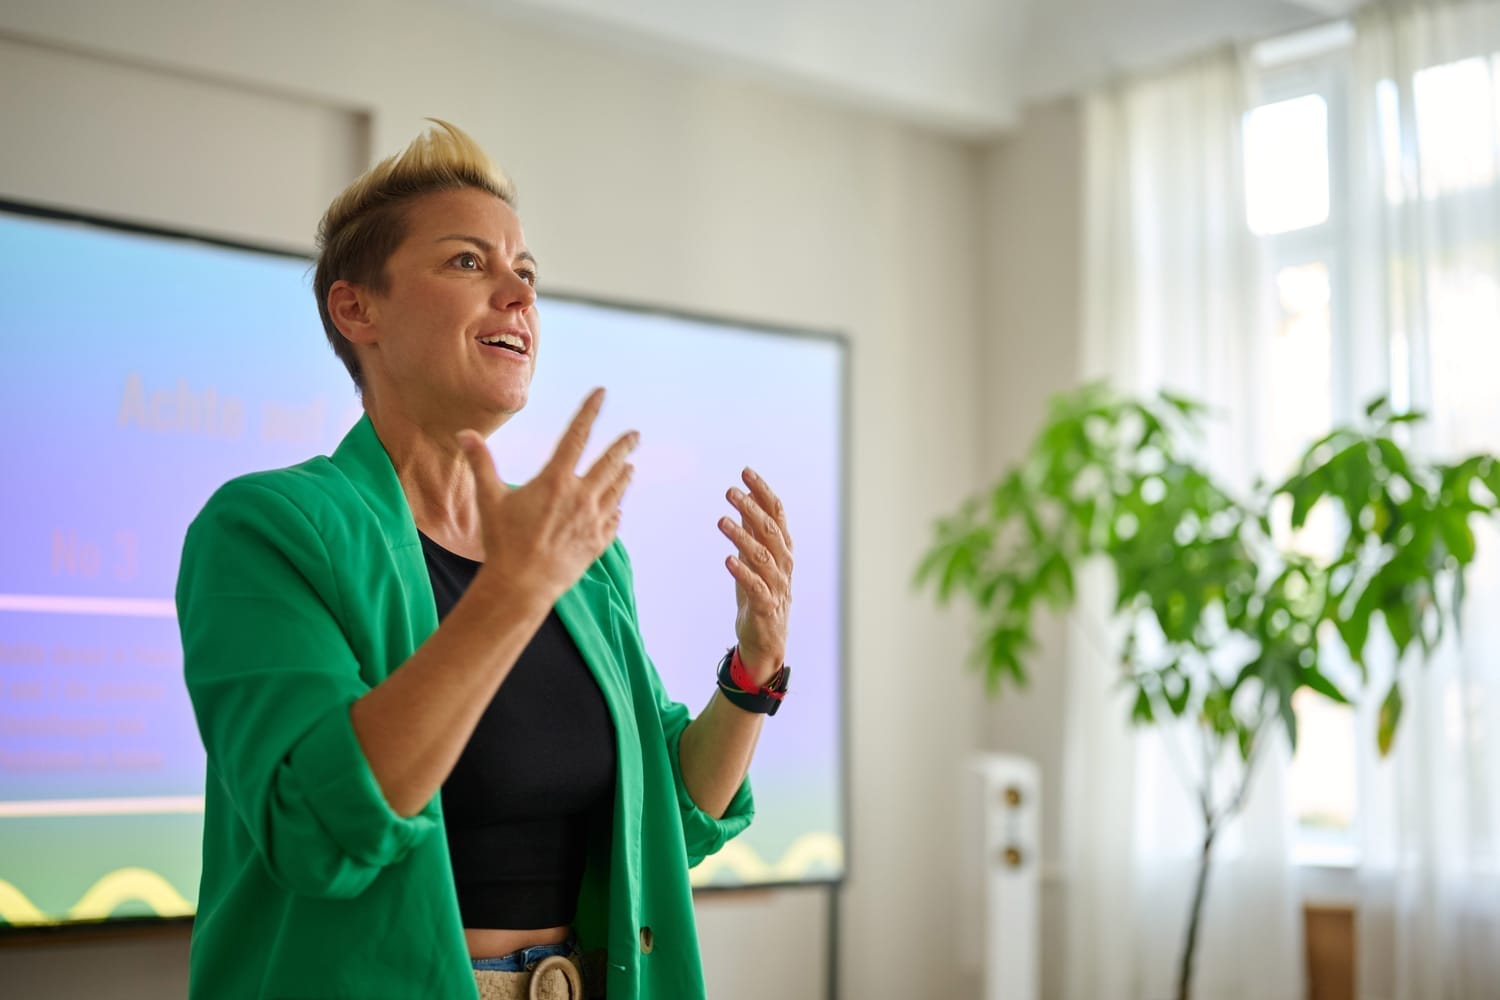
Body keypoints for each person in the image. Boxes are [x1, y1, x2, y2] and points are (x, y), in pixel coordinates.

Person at [176, 119, 795, 1000]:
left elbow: (670, 820)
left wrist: (755, 671)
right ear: (357, 310)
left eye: (527, 272)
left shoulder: (580, 558)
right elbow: (317, 829)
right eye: (469, 261)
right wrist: (511, 594)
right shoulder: (268, 528)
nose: (517, 294)